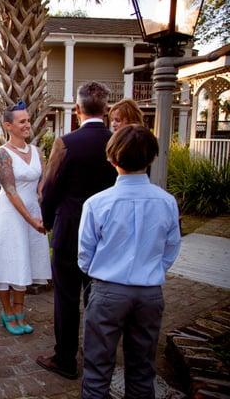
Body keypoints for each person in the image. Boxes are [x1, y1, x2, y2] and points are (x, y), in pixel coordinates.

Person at [79, 125, 181, 398]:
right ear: (151, 158)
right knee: (142, 369)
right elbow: (171, 248)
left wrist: (102, 274)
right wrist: (153, 271)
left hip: (108, 290)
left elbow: (85, 255)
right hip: (149, 294)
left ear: (112, 159)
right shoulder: (167, 202)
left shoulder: (97, 203)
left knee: (97, 369)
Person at [37, 81, 118, 379]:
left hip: (71, 231)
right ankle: (97, 357)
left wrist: (46, 222)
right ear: (106, 110)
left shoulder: (66, 143)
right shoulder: (116, 142)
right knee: (98, 296)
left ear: (77, 110)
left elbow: (50, 188)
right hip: (107, 234)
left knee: (67, 298)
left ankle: (65, 360)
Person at [0, 101, 51, 335]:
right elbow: (10, 191)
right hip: (11, 215)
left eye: (28, 120)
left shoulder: (37, 151)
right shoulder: (2, 153)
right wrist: (31, 220)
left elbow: (41, 186)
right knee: (7, 262)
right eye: (22, 121)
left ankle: (19, 312)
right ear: (8, 125)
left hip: (33, 213)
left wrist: (44, 211)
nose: (28, 124)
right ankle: (7, 313)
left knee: (24, 263)